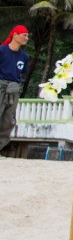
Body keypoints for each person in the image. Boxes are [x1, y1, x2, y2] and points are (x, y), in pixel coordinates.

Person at [0, 25, 30, 155]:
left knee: (8, 120)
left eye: (27, 36)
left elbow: (22, 73)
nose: (26, 38)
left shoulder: (24, 56)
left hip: (14, 90)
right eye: (24, 35)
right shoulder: (2, 51)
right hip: (1, 87)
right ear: (15, 35)